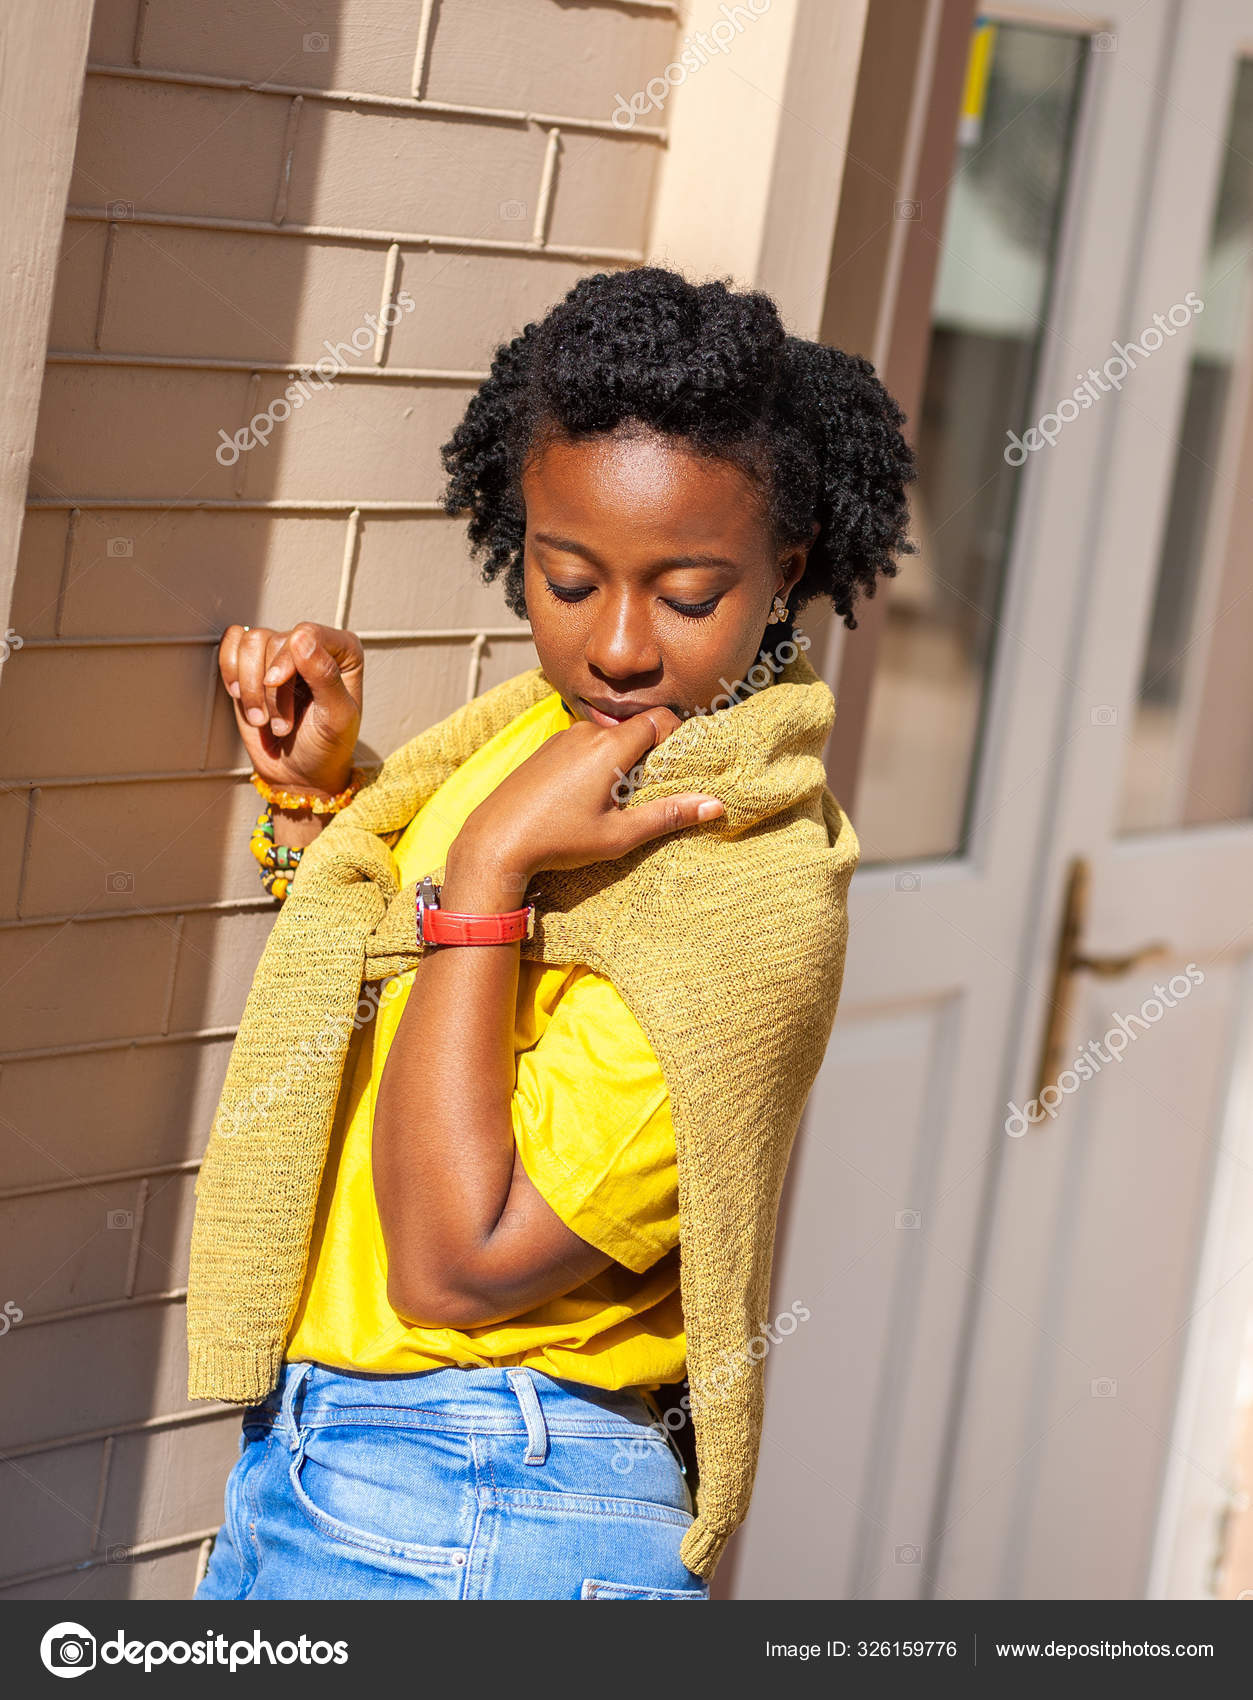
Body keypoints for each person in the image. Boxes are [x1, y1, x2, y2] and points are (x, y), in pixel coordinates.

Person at [191, 266, 915, 1601]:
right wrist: (325, 807)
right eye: (566, 575)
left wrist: (485, 867)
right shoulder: (541, 743)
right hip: (333, 1473)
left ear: (783, 574)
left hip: (484, 1512)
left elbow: (457, 1262)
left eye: (686, 593)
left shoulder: (743, 889)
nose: (618, 644)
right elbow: (409, 1032)